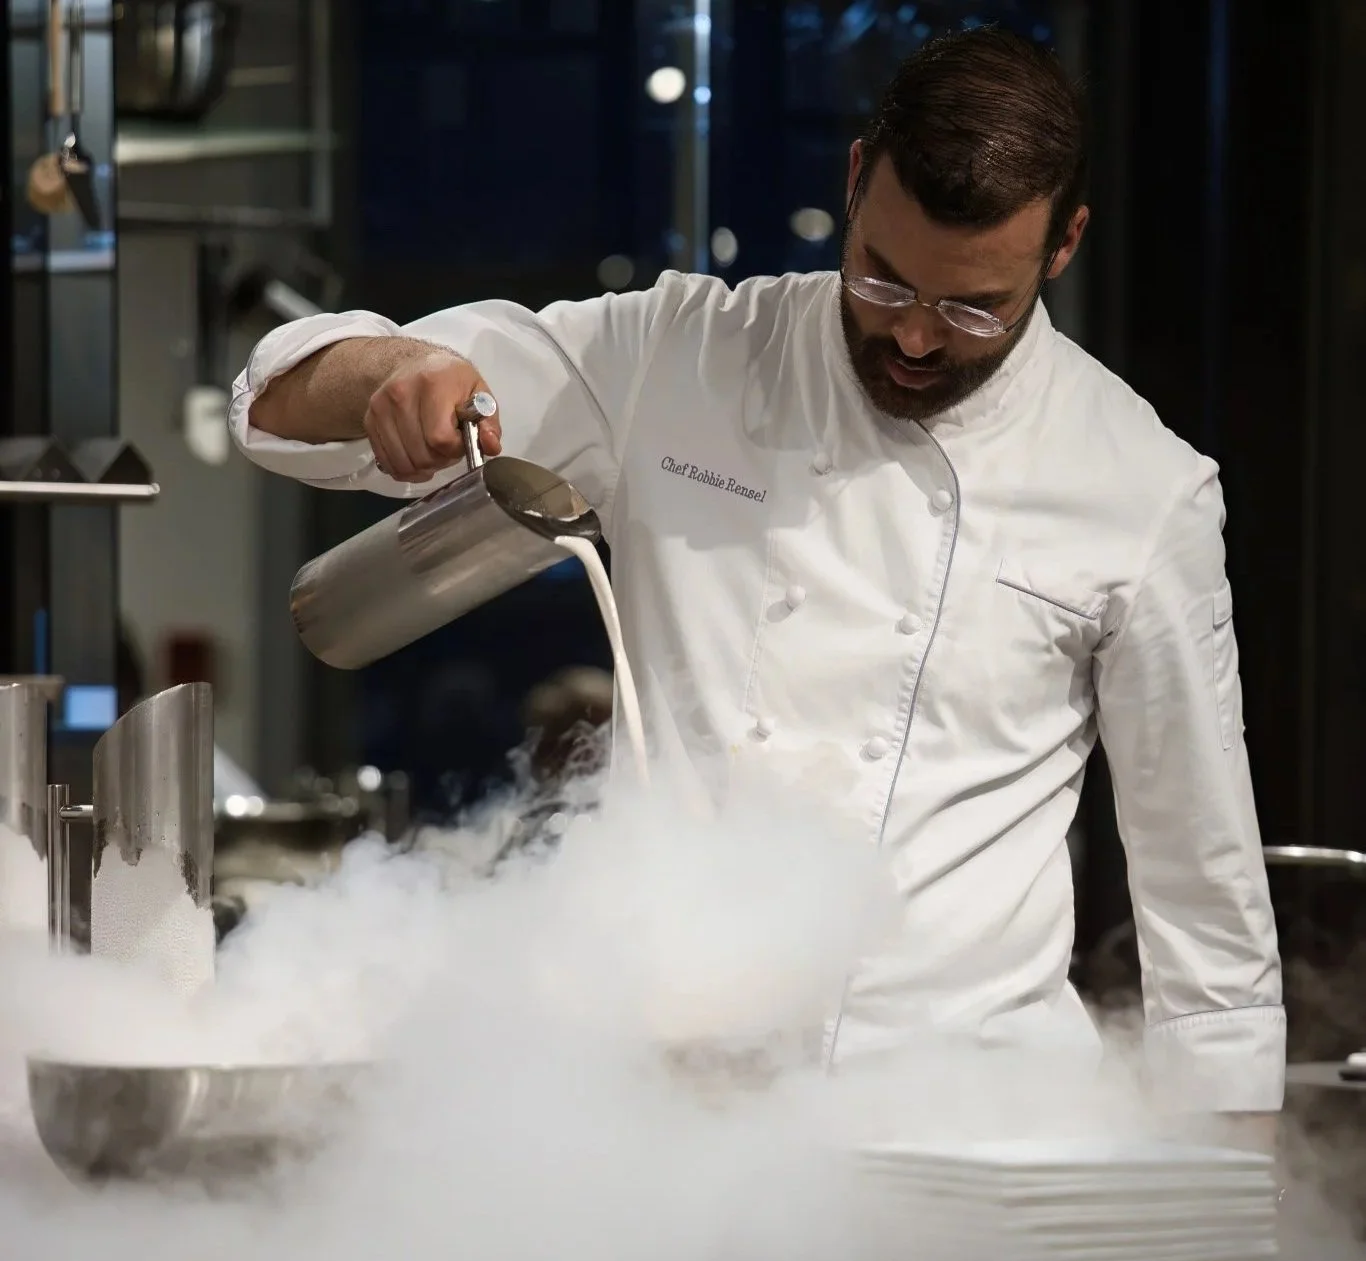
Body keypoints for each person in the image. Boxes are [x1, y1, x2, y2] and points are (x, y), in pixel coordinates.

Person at [229, 29, 1283, 1137]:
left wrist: (1228, 1224)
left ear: (1062, 244)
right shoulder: (676, 357)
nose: (916, 336)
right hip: (667, 1115)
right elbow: (283, 406)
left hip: (973, 1122)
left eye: (976, 306)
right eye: (880, 276)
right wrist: (394, 376)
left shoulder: (1139, 486)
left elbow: (1199, 889)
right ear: (852, 177)